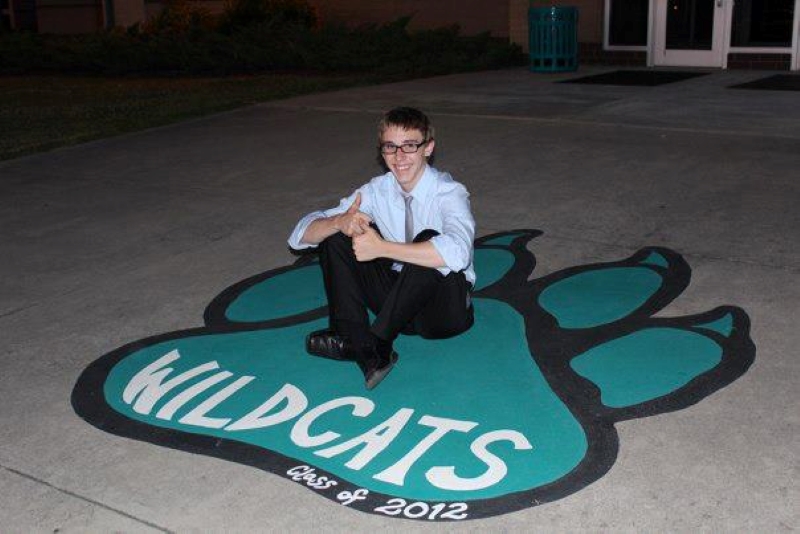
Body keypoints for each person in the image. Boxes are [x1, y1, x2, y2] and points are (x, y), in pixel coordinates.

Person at [287, 107, 476, 389]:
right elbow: (299, 235)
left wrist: (382, 248)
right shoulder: (377, 190)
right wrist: (340, 221)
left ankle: (373, 343)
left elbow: (458, 253)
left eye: (410, 146)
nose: (400, 157)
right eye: (391, 147)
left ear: (428, 148)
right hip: (395, 303)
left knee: (429, 237)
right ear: (382, 151)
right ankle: (353, 335)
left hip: (442, 312)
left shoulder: (449, 192)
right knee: (338, 233)